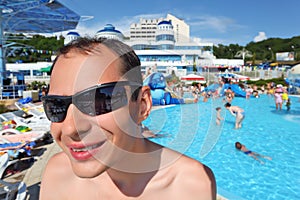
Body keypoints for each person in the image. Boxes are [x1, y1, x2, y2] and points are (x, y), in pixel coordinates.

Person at [39, 37, 216, 199]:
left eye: (98, 100)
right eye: (56, 105)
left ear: (142, 105)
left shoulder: (190, 185)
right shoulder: (57, 173)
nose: (71, 129)